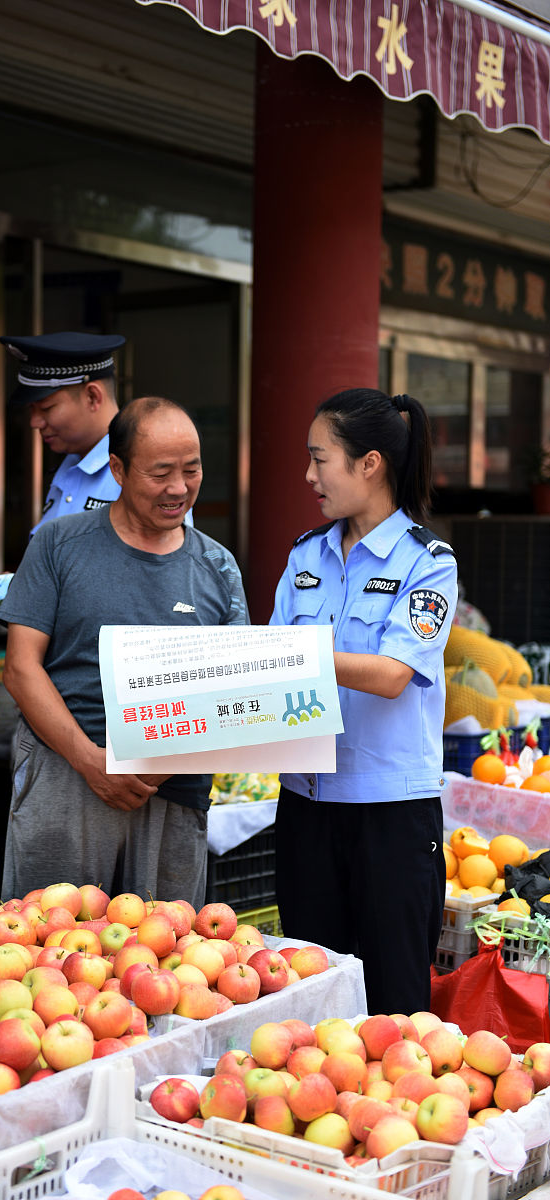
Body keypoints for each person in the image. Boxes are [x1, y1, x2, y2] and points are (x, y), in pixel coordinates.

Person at [0, 396, 248, 906]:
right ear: (117, 469)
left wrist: (150, 769)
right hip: (65, 777)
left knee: (168, 961)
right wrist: (92, 762)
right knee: (47, 955)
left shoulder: (217, 567)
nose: (179, 488)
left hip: (172, 789)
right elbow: (21, 668)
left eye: (191, 470)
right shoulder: (59, 544)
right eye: (160, 473)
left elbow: (233, 692)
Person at [269, 388, 457, 1014]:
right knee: (306, 999)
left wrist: (301, 652)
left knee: (394, 1005)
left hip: (392, 816)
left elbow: (393, 673)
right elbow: (266, 668)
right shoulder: (304, 555)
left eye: (319, 459)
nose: (309, 475)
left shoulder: (426, 564)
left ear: (369, 464)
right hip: (305, 807)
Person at [0, 331, 125, 533]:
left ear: (93, 397)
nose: (34, 422)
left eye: (47, 408)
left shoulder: (139, 472)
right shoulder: (72, 465)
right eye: (31, 409)